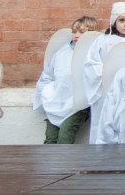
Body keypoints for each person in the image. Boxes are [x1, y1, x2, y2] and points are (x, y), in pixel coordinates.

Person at [34, 15, 98, 144]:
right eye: (74, 32)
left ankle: (65, 158)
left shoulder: (93, 54)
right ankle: (48, 159)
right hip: (56, 101)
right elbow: (48, 74)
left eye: (82, 32)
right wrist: (46, 93)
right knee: (50, 139)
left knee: (65, 136)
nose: (76, 35)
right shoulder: (62, 52)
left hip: (77, 105)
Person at [84, 1, 125, 144]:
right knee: (105, 124)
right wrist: (107, 72)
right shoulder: (103, 40)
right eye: (122, 20)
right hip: (106, 91)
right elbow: (91, 64)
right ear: (114, 21)